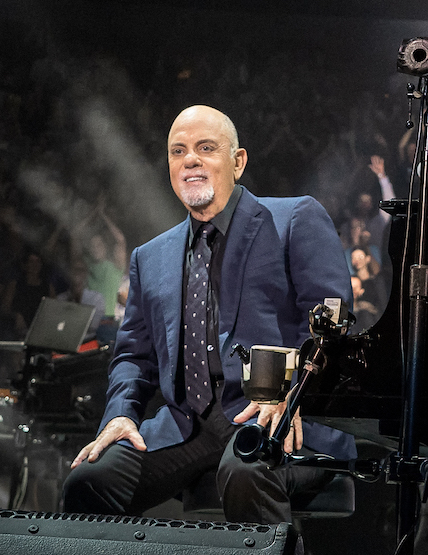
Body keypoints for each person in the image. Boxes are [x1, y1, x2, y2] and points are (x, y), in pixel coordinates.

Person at [62, 105, 353, 524]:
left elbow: (334, 323)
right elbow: (133, 358)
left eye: (205, 148)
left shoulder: (294, 218)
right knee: (88, 481)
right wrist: (121, 414)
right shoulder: (151, 256)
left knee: (246, 471)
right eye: (178, 151)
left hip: (281, 416)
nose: (190, 160)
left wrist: (297, 393)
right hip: (188, 427)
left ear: (238, 161)